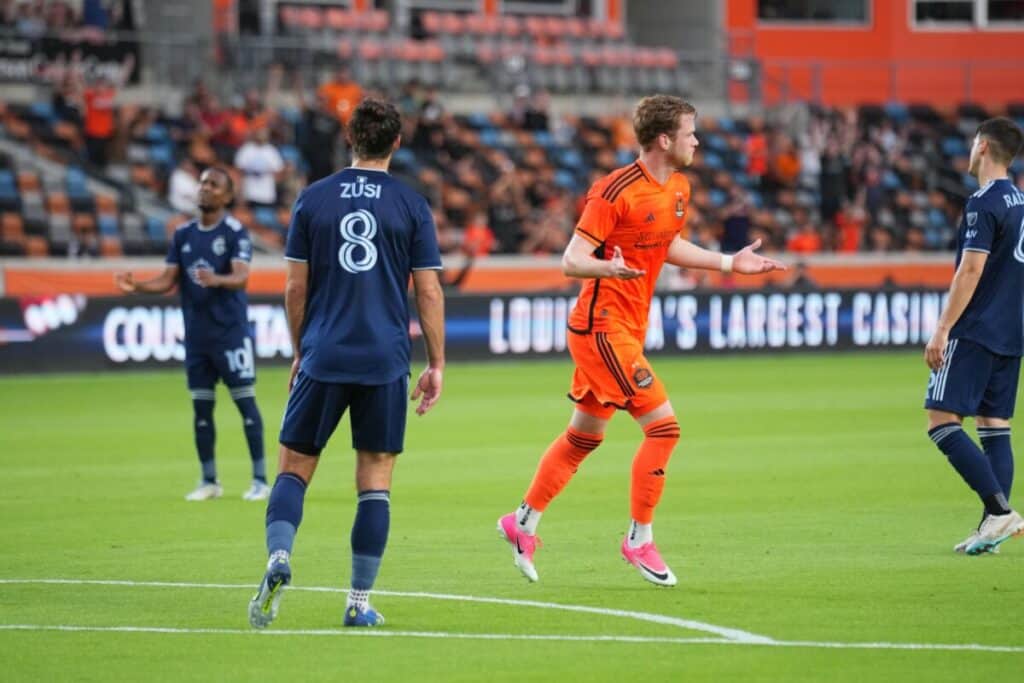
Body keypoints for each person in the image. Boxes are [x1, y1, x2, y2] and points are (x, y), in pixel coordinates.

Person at [497, 95, 786, 586]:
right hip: (601, 326)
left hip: (626, 326)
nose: (698, 140)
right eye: (691, 132)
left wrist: (727, 263)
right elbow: (571, 259)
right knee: (664, 428)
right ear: (664, 139)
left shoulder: (677, 186)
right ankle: (639, 539)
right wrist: (604, 266)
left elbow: (666, 243)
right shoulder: (614, 190)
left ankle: (522, 523)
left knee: (584, 437)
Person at [248, 98, 445, 629]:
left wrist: (299, 350)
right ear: (396, 144)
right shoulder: (411, 204)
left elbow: (294, 286)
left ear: (348, 140)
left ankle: (279, 556)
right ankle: (358, 603)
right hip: (384, 359)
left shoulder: (313, 199)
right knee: (375, 481)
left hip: (324, 353)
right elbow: (428, 292)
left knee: (294, 468)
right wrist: (437, 363)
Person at [114, 168, 268, 502]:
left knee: (246, 405)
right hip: (197, 339)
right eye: (202, 183)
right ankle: (209, 480)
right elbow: (168, 279)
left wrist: (218, 279)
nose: (205, 188)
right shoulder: (183, 234)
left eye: (213, 184)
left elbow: (241, 277)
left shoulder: (234, 232)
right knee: (201, 410)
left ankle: (260, 480)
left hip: (230, 334)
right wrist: (138, 285)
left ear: (227, 196)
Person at [923, 117, 1024, 555]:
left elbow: (971, 268)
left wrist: (943, 328)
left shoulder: (984, 202)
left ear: (982, 146)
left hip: (977, 327)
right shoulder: (1020, 201)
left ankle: (1000, 513)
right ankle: (994, 527)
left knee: (941, 420)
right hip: (1012, 328)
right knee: (993, 424)